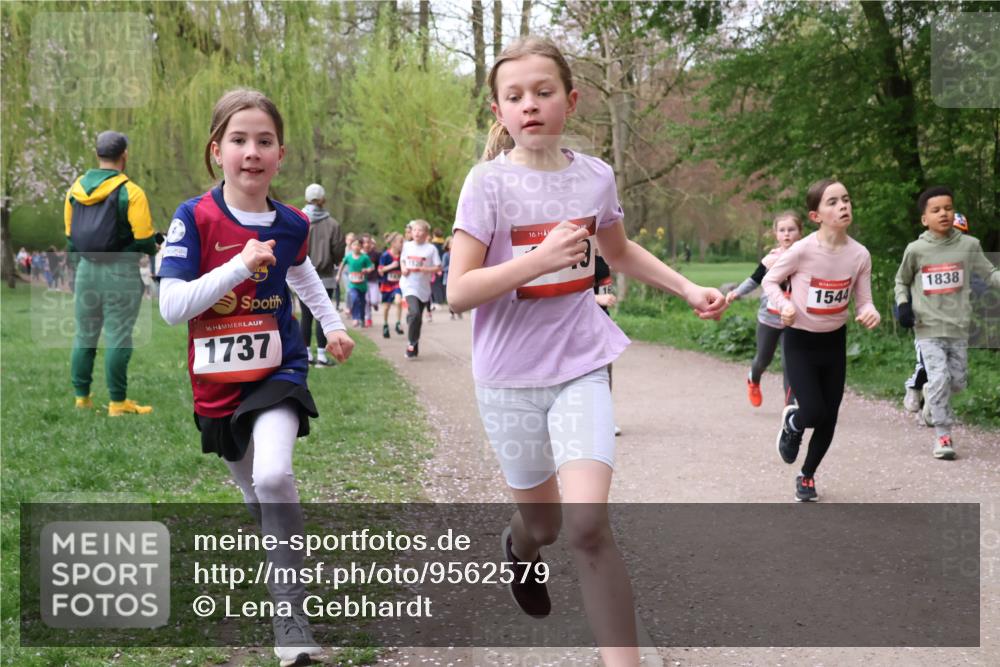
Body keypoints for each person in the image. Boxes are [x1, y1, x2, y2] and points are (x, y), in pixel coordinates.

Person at [447, 37, 727, 667]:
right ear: (499, 111)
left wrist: (687, 287)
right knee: (543, 527)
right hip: (507, 378)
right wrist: (537, 261)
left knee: (587, 526)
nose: (531, 106)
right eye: (515, 97)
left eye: (544, 92)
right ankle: (519, 549)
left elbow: (620, 251)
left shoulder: (594, 176)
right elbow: (458, 291)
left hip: (580, 365)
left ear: (570, 101)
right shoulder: (486, 184)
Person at [157, 88, 354, 667]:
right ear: (216, 150)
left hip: (278, 370)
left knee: (273, 478)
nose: (251, 151)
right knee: (254, 492)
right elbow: (173, 308)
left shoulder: (292, 222)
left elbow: (302, 276)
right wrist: (240, 263)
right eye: (239, 140)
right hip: (217, 384)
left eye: (263, 141)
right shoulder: (194, 218)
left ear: (281, 153)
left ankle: (290, 618)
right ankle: (281, 541)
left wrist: (333, 324)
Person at [763, 179, 881, 502]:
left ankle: (808, 475)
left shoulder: (860, 255)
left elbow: (864, 300)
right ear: (815, 216)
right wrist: (784, 305)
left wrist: (871, 312)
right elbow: (770, 282)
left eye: (846, 199)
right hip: (800, 340)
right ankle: (794, 421)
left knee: (830, 416)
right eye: (833, 202)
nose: (843, 205)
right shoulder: (802, 250)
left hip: (834, 343)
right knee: (813, 411)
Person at [894, 188, 1000, 460]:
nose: (943, 213)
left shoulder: (969, 245)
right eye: (936, 210)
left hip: (958, 327)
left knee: (957, 382)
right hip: (927, 327)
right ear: (924, 219)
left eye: (948, 208)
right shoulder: (916, 250)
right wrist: (903, 306)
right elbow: (901, 281)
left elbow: (989, 273)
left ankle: (931, 393)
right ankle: (943, 435)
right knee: (940, 377)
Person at [65, 130, 156, 415]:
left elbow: (70, 238)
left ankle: (82, 398)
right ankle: (117, 403)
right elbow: (143, 239)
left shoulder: (74, 190)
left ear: (97, 155)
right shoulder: (131, 191)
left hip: (86, 271)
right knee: (118, 336)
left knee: (84, 335)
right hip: (120, 272)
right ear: (124, 155)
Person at [725, 211, 803, 407]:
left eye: (791, 230)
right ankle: (753, 379)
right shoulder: (771, 259)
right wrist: (737, 292)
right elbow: (754, 280)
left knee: (790, 364)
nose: (787, 234)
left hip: (794, 319)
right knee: (763, 359)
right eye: (782, 230)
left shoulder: (807, 257)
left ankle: (791, 408)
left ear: (800, 232)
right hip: (769, 317)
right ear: (775, 234)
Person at [299, 183, 344, 367]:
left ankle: (307, 355)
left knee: (306, 316)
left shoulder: (299, 221)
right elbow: (339, 250)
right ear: (323, 200)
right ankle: (322, 357)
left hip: (302, 276)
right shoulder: (332, 224)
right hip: (325, 275)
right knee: (322, 316)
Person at [400, 219, 441, 359]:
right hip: (408, 285)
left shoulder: (431, 249)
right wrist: (403, 268)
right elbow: (402, 260)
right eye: (414, 230)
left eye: (420, 230)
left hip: (423, 287)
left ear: (426, 233)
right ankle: (411, 343)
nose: (417, 233)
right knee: (416, 313)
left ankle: (414, 344)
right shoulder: (407, 246)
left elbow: (438, 267)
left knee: (417, 318)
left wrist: (425, 269)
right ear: (411, 232)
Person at [340, 237, 373, 327]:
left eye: (358, 245)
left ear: (361, 247)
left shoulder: (365, 257)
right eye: (354, 245)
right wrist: (338, 275)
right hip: (352, 284)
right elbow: (342, 264)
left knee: (362, 302)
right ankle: (355, 317)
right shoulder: (349, 256)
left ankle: (362, 318)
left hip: (362, 285)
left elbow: (371, 267)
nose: (356, 247)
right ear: (351, 246)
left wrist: (367, 270)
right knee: (355, 299)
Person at [378, 232, 405, 337]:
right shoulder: (385, 255)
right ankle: (385, 325)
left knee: (398, 302)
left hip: (398, 284)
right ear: (393, 244)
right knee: (386, 307)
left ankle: (398, 324)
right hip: (387, 284)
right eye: (401, 242)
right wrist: (391, 266)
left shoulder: (403, 255)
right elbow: (380, 270)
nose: (403, 244)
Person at [363, 234, 381, 327]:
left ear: (371, 243)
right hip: (363, 281)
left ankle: (375, 304)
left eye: (368, 242)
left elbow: (380, 265)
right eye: (364, 242)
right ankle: (368, 318)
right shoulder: (360, 254)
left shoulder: (376, 254)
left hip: (373, 280)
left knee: (373, 301)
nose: (366, 244)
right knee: (366, 301)